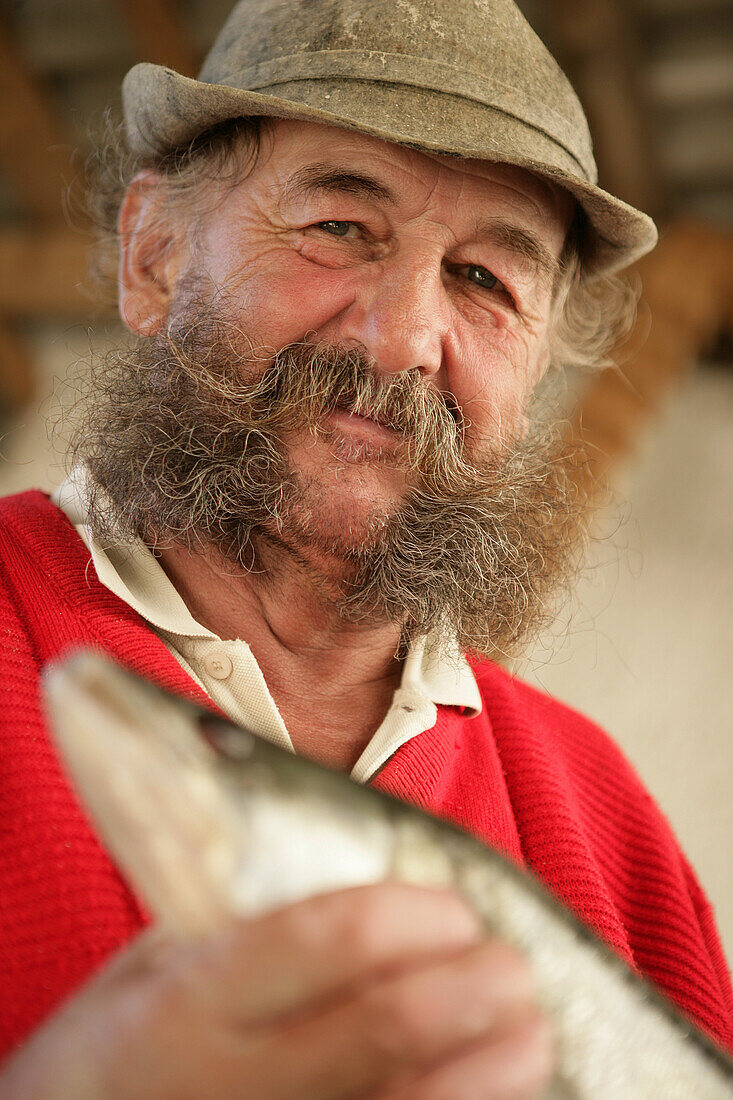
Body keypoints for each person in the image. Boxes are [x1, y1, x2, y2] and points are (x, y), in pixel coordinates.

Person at [0, 0, 731, 1094]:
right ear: (151, 257)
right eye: (340, 227)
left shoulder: (602, 814)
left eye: (486, 280)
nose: (402, 340)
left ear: (533, 378)